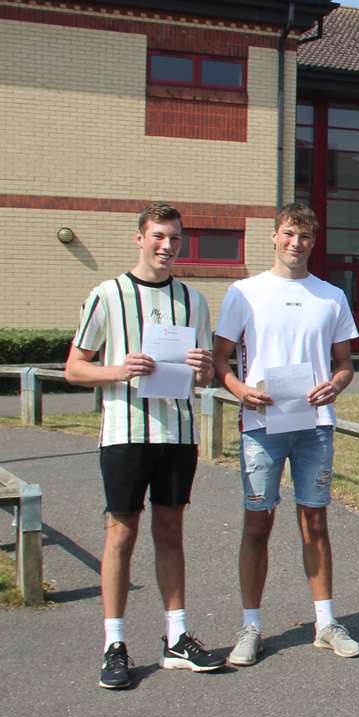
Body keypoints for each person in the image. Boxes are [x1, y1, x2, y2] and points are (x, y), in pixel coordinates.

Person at [65, 203, 224, 690]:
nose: (166, 246)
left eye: (174, 238)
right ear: (139, 238)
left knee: (171, 532)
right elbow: (74, 368)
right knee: (121, 535)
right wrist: (119, 370)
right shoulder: (107, 295)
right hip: (126, 435)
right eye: (158, 236)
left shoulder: (194, 300)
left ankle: (176, 637)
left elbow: (205, 376)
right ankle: (114, 643)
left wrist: (202, 368)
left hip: (177, 435)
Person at [213, 204, 359, 667]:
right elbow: (221, 360)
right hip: (263, 427)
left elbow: (344, 365)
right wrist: (240, 391)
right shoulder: (245, 293)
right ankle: (251, 626)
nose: (297, 243)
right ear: (274, 236)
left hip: (314, 427)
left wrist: (334, 385)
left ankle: (325, 623)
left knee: (315, 522)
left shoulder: (331, 296)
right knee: (258, 522)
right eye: (290, 234)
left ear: (314, 243)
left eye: (306, 237)